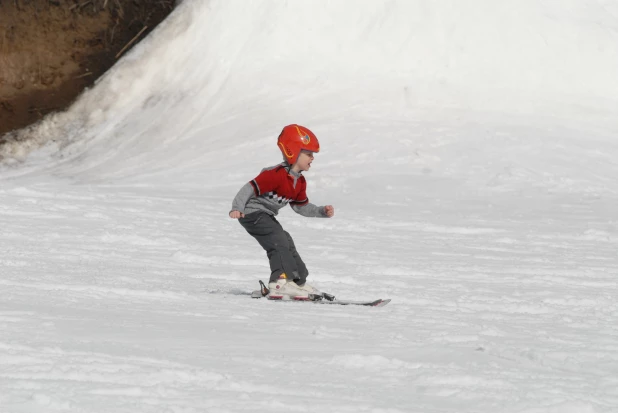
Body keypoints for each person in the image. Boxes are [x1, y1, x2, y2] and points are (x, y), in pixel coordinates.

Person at [229, 124, 335, 299]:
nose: (312, 158)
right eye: (308, 153)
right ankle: (279, 282)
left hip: (265, 216)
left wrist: (321, 211)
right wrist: (237, 208)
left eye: (313, 154)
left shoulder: (299, 182)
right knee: (277, 239)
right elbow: (248, 188)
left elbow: (300, 207)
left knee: (286, 240)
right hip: (251, 213)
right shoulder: (275, 174)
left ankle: (297, 282)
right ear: (293, 151)